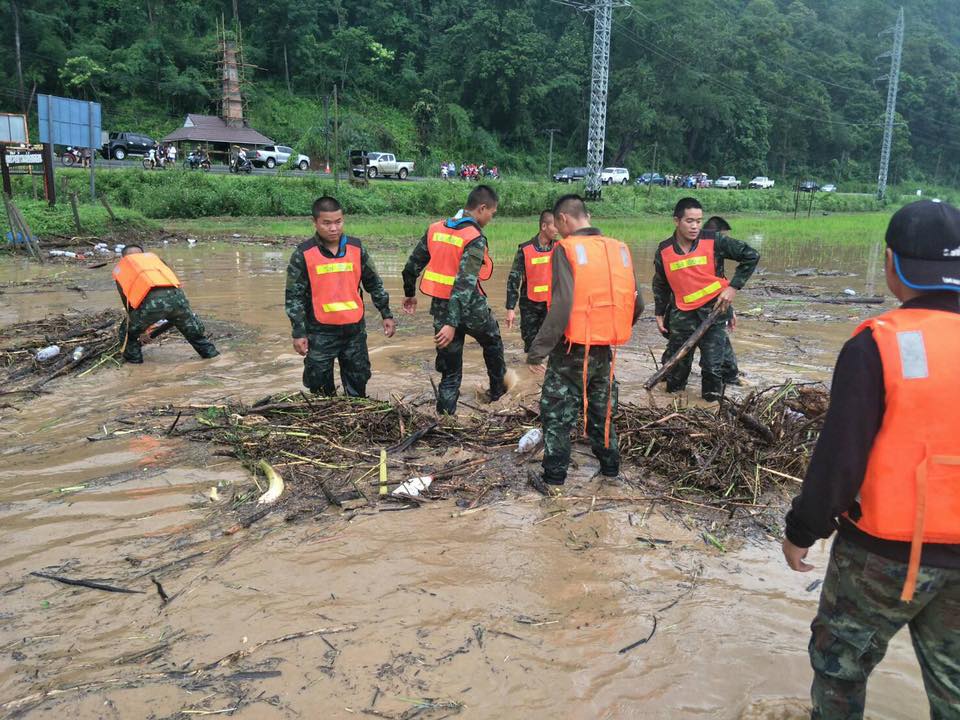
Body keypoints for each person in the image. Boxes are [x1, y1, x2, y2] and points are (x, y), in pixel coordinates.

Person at [783, 199, 960, 720]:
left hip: (880, 557)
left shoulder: (876, 345)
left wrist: (802, 529)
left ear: (891, 264)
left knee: (839, 670)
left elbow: (840, 458)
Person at [526, 194, 643, 490]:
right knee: (602, 414)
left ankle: (554, 480)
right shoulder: (619, 249)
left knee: (557, 414)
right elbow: (638, 303)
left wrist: (537, 351)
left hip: (571, 351)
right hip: (605, 350)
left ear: (564, 219)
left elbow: (562, 305)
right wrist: (612, 327)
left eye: (558, 223)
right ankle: (611, 473)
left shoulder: (565, 249)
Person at [401, 184, 506, 415]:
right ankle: (499, 398)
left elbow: (410, 268)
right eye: (492, 213)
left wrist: (410, 294)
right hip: (470, 310)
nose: (491, 217)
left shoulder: (435, 229)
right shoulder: (474, 237)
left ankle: (445, 420)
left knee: (450, 372)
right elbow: (464, 284)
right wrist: (452, 322)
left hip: (441, 308)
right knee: (493, 342)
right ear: (482, 208)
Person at [285, 196, 395, 397]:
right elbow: (294, 297)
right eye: (327, 223)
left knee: (358, 382)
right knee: (319, 387)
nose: (334, 228)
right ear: (315, 222)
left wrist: (386, 314)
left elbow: (374, 283)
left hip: (354, 331)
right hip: (319, 331)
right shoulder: (303, 254)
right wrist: (298, 333)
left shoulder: (356, 248)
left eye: (338, 222)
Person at [652, 197, 759, 401]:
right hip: (681, 315)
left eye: (699, 221)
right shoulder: (664, 250)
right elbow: (661, 283)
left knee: (712, 368)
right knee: (677, 369)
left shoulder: (714, 241)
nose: (695, 226)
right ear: (677, 221)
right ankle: (674, 407)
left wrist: (733, 288)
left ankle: (710, 409)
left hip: (714, 312)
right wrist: (659, 311)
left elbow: (751, 256)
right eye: (689, 221)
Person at [112, 244, 219, 364]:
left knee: (126, 332)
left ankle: (135, 365)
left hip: (153, 306)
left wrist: (141, 331)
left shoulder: (124, 269)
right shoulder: (156, 261)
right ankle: (214, 358)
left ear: (123, 258)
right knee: (195, 336)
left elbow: (128, 304)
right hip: (178, 300)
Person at [505, 210, 558, 353]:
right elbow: (514, 279)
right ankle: (531, 374)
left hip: (552, 305)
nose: (558, 229)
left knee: (553, 345)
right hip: (530, 306)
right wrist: (510, 308)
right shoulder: (525, 249)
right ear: (544, 226)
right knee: (531, 345)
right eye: (555, 225)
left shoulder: (560, 248)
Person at [702, 215, 741, 385]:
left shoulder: (715, 254)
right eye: (722, 236)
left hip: (714, 310)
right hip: (696, 311)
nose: (725, 241)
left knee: (722, 352)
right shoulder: (701, 252)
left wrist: (729, 311)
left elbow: (720, 284)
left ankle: (729, 378)